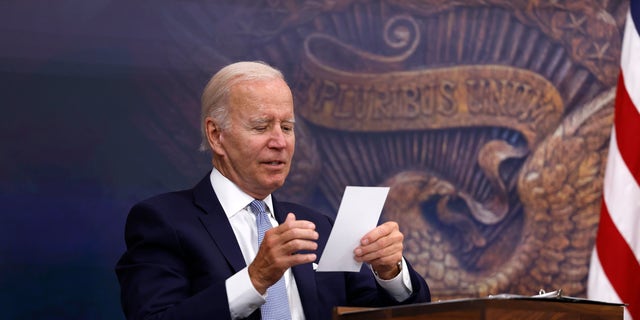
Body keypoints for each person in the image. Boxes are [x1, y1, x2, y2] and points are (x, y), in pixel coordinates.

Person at [115, 61, 431, 320]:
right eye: (261, 126)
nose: (279, 142)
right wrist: (255, 278)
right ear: (216, 135)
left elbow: (374, 312)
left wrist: (391, 274)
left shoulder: (319, 227)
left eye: (287, 127)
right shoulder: (164, 222)